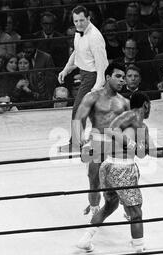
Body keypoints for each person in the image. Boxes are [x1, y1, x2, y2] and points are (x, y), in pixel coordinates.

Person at [77, 91, 163, 255]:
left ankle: (86, 239)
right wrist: (132, 145)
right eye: (150, 107)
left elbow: (150, 151)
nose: (150, 111)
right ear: (146, 105)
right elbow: (111, 130)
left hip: (109, 167)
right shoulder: (129, 115)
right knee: (136, 213)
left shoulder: (143, 127)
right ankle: (139, 253)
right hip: (121, 169)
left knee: (111, 205)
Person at [72, 63, 130, 217]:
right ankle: (94, 210)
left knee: (122, 180)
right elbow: (78, 119)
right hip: (97, 142)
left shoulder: (124, 102)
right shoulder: (92, 97)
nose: (122, 80)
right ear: (108, 77)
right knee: (94, 181)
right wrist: (80, 139)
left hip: (116, 144)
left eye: (123, 77)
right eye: (118, 76)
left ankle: (129, 209)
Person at [58, 5, 109, 151]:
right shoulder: (79, 32)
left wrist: (96, 88)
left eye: (81, 20)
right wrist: (66, 69)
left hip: (93, 76)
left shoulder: (95, 37)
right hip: (85, 73)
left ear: (88, 18)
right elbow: (77, 51)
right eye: (76, 21)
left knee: (79, 109)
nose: (79, 24)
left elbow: (102, 65)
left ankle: (76, 143)